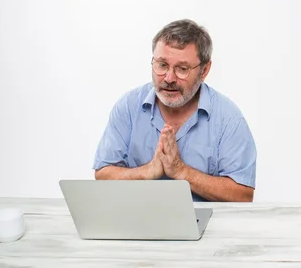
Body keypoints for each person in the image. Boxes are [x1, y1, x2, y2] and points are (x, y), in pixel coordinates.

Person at [93, 19, 256, 202]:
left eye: (182, 69)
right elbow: (103, 174)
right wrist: (147, 172)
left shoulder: (228, 118)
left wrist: (181, 171)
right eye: (162, 65)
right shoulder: (128, 107)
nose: (169, 78)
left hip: (206, 228)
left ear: (204, 70)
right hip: (137, 225)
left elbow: (243, 194)